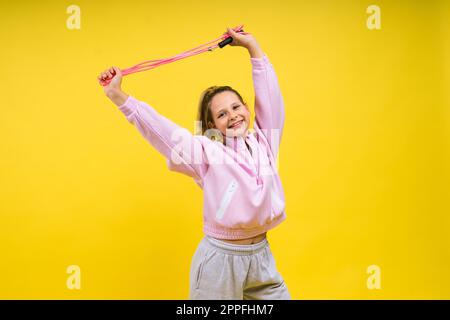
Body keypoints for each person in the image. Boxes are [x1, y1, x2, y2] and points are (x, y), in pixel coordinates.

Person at [98, 27, 290, 300]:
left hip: (260, 258)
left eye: (237, 107)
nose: (233, 116)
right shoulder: (206, 153)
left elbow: (271, 99)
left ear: (247, 108)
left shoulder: (264, 141)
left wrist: (253, 48)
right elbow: (163, 132)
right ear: (212, 124)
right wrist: (119, 97)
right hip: (219, 263)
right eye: (222, 114)